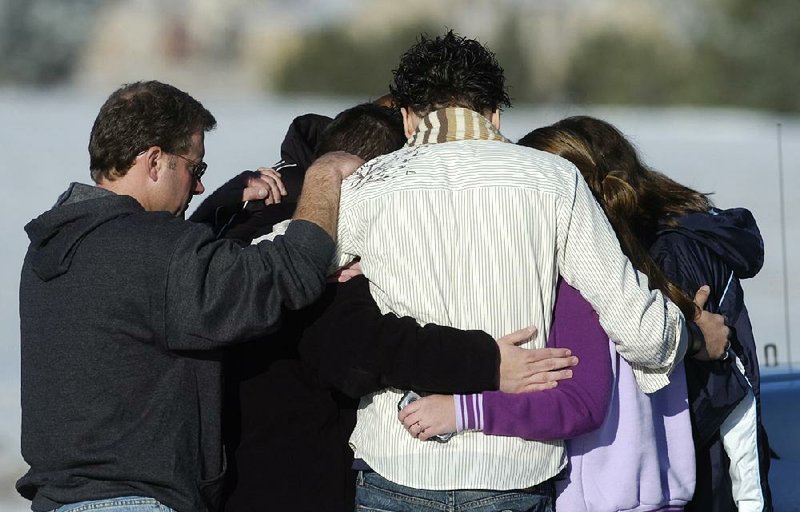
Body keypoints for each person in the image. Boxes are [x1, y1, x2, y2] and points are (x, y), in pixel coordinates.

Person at [333, 31, 729, 511]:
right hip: (513, 474)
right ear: (495, 112)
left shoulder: (367, 187)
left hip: (396, 461)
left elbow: (300, 280)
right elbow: (642, 334)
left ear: (408, 115)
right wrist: (691, 335)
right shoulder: (554, 180)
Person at [187, 102, 577, 511]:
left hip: (230, 478)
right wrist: (489, 362)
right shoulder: (328, 251)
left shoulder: (247, 219)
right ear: (374, 177)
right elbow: (363, 353)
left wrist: (224, 201)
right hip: (299, 480)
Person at [17, 80, 363, 512]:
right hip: (137, 502)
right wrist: (323, 176)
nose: (197, 186)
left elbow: (165, 284)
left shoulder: (58, 242)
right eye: (195, 170)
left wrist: (220, 204)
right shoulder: (151, 252)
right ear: (155, 160)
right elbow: (286, 273)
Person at [519, 116, 771, 512]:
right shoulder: (642, 246)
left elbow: (725, 385)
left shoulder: (668, 254)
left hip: (693, 477)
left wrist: (691, 340)